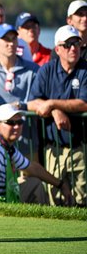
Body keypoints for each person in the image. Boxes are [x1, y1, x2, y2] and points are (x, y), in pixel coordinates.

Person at [28, 25, 87, 206]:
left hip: (81, 147)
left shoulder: (85, 70)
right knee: (55, 198)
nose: (73, 48)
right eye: (68, 44)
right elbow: (32, 102)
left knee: (82, 199)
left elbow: (84, 103)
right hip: (53, 148)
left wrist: (52, 104)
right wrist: (54, 111)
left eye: (76, 43)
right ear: (57, 49)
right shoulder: (46, 70)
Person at [0, 104, 72, 204]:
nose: (17, 126)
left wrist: (60, 184)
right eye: (10, 122)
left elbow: (32, 168)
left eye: (20, 122)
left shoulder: (7, 147)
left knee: (34, 183)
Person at [0, 24, 40, 131]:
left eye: (14, 39)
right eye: (6, 39)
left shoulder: (33, 70)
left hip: (28, 139)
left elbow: (40, 100)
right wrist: (6, 112)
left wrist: (21, 106)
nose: (11, 43)